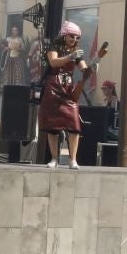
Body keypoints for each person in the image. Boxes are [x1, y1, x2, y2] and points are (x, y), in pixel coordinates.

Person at [39, 23, 90, 167]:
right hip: (52, 87)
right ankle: (54, 159)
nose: (74, 39)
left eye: (77, 37)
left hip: (67, 88)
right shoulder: (54, 47)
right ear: (64, 35)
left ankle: (72, 160)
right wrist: (70, 56)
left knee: (74, 125)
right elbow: (54, 62)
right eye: (72, 36)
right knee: (52, 127)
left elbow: (83, 68)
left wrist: (90, 68)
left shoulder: (76, 51)